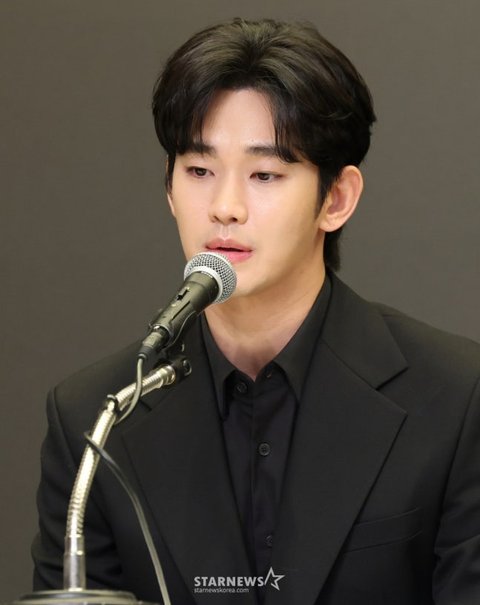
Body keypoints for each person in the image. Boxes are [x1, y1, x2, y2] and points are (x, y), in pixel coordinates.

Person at [32, 18, 480, 605]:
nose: (225, 207)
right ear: (168, 188)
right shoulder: (96, 418)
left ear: (336, 198)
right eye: (199, 171)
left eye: (265, 174)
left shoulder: (456, 398)